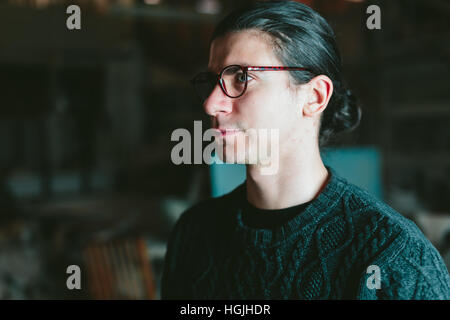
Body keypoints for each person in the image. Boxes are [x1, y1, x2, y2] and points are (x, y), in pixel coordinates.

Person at [161, 1, 450, 299]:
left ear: (314, 96)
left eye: (241, 77)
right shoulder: (194, 234)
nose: (211, 103)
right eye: (212, 81)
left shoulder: (395, 258)